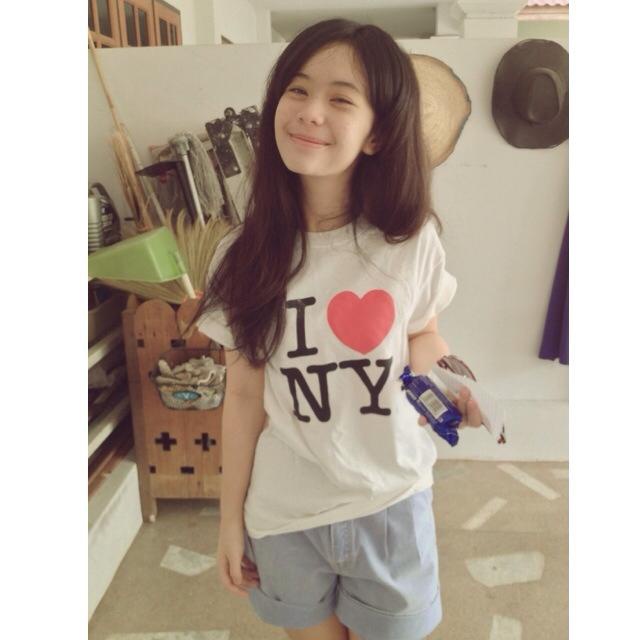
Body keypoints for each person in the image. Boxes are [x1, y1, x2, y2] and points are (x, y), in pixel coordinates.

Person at [189, 18, 483, 640]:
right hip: (285, 515)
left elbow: (422, 337)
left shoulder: (410, 242)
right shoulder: (241, 256)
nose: (310, 111)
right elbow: (243, 397)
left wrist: (452, 384)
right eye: (296, 90)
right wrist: (229, 520)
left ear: (377, 134)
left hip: (390, 501)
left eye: (341, 99)